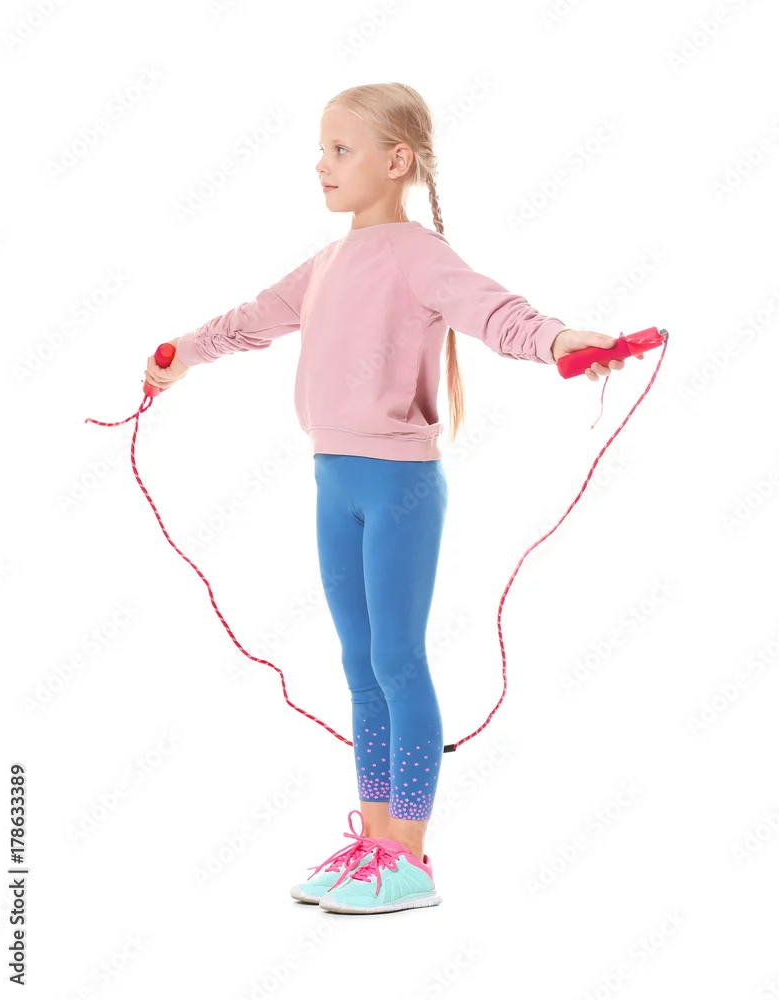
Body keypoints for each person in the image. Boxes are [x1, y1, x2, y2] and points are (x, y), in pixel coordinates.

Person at [144, 82, 631, 916]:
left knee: (399, 660)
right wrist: (182, 353)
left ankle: (410, 857)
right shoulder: (327, 263)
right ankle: (374, 844)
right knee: (359, 664)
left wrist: (558, 339)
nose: (321, 165)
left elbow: (494, 312)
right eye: (321, 149)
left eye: (341, 150)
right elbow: (253, 319)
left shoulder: (418, 253)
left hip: (399, 485)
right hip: (333, 481)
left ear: (397, 160)